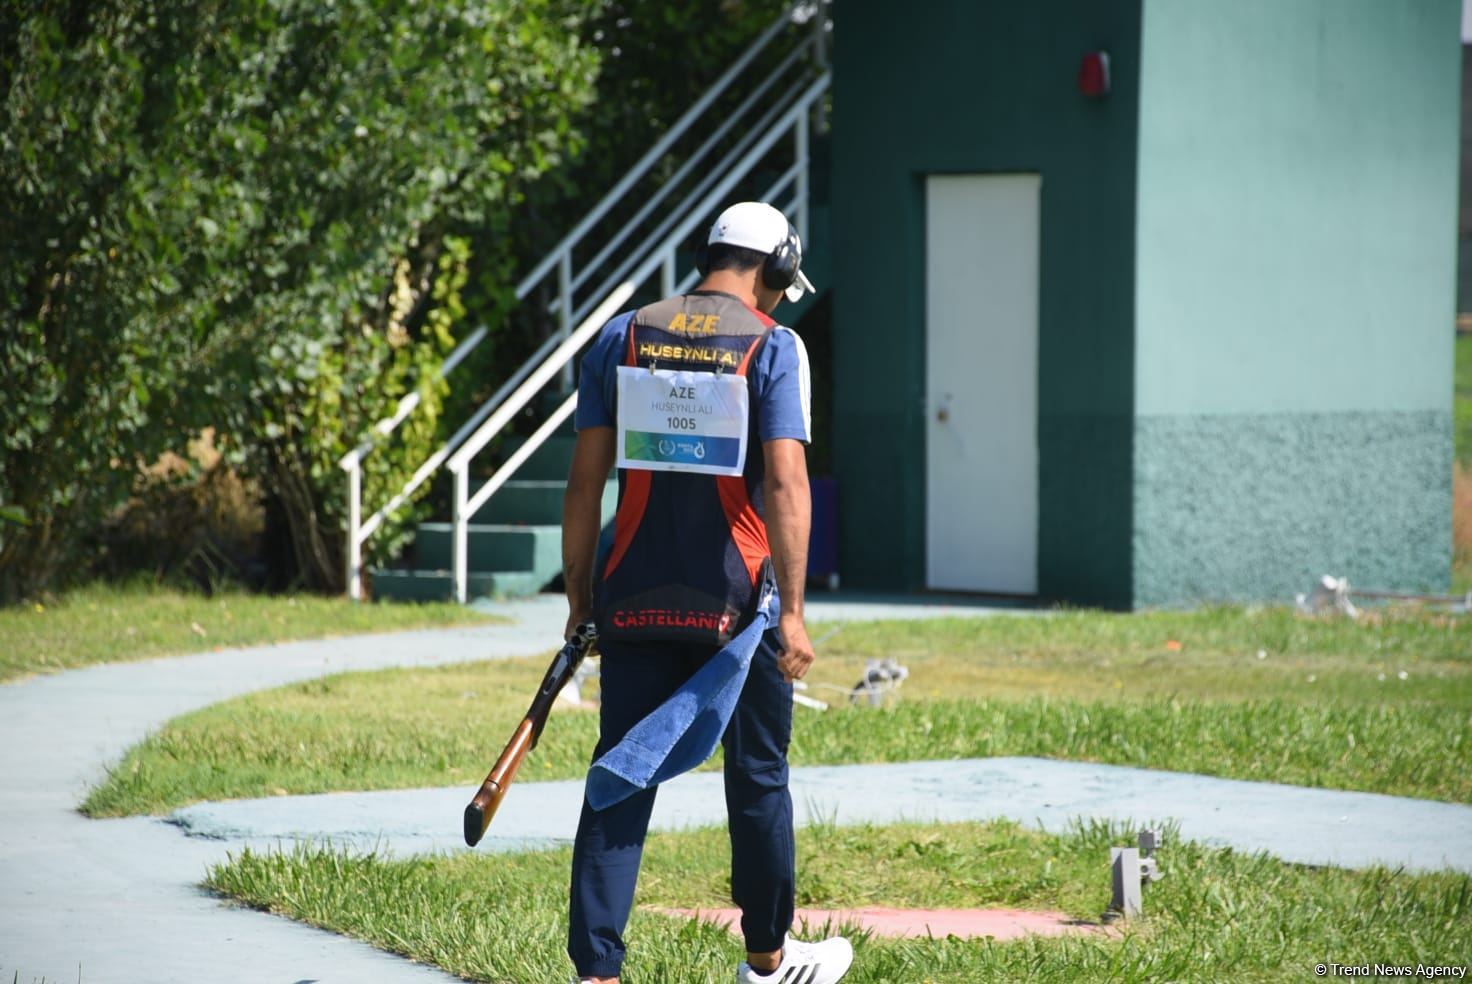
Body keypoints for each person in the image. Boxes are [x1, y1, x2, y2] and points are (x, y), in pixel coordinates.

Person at [560, 201, 853, 984]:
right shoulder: (775, 347)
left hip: (633, 599)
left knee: (620, 776)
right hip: (737, 612)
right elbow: (786, 482)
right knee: (757, 779)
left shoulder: (621, 336)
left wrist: (582, 598)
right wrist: (791, 613)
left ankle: (597, 973)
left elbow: (585, 483)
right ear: (779, 269)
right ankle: (766, 963)